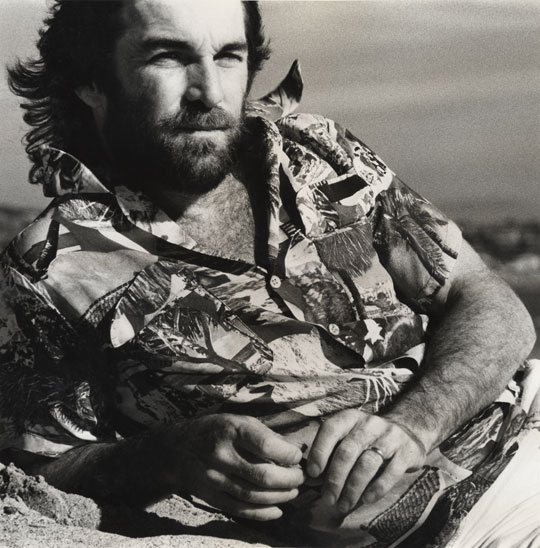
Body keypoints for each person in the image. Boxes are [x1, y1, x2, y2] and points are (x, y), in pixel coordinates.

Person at [1, 0, 538, 546]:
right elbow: (37, 470)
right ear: (90, 80)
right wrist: (168, 456)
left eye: (229, 56)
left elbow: (486, 298)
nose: (210, 92)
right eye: (169, 57)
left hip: (525, 432)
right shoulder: (51, 265)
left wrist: (414, 424)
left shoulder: (320, 151)